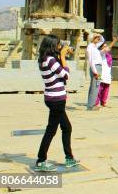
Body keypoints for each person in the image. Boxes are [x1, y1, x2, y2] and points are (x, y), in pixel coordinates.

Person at [35, 34, 80, 172]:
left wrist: (61, 56)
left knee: (66, 127)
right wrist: (63, 57)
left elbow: (58, 75)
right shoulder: (50, 60)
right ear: (52, 45)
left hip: (52, 98)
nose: (60, 46)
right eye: (58, 44)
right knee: (52, 130)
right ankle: (41, 160)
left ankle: (69, 157)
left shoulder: (43, 59)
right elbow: (66, 75)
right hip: (56, 100)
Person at [96, 37, 118, 108]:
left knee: (106, 89)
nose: (106, 48)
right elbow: (107, 49)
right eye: (104, 46)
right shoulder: (100, 53)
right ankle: (96, 103)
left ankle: (103, 102)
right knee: (99, 89)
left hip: (107, 75)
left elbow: (109, 66)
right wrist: (114, 41)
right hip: (100, 74)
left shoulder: (109, 56)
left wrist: (110, 75)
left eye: (106, 46)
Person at [86, 33, 104, 110]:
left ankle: (92, 104)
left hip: (99, 67)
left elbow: (103, 40)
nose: (98, 38)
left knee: (97, 85)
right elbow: (90, 60)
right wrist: (95, 72)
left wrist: (99, 34)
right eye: (96, 37)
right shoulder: (90, 47)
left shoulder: (95, 46)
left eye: (98, 37)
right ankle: (91, 105)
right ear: (92, 39)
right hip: (95, 68)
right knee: (94, 86)